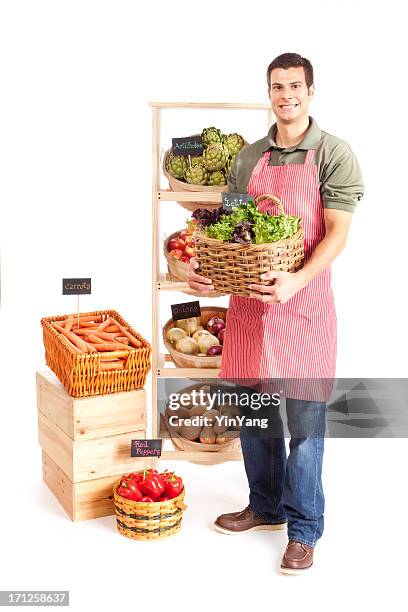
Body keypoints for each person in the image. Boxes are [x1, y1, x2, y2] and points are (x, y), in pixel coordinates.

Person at [188, 52, 364, 574]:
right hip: (248, 310)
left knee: (306, 423)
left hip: (304, 303)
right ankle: (263, 507)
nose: (285, 94)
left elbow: (337, 233)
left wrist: (297, 280)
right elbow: (233, 236)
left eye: (295, 85)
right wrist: (205, 274)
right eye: (276, 86)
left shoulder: (334, 153)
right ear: (269, 93)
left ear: (311, 91)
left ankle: (304, 527)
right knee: (256, 417)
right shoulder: (249, 157)